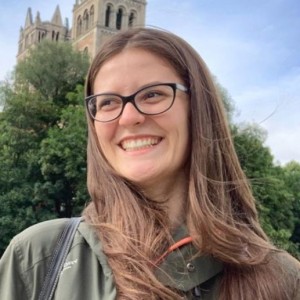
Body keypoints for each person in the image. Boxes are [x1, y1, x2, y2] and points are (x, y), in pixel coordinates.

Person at [0, 27, 299, 300]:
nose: (129, 117)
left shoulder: (283, 280)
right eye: (107, 102)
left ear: (198, 108)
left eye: (153, 94)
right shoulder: (37, 258)